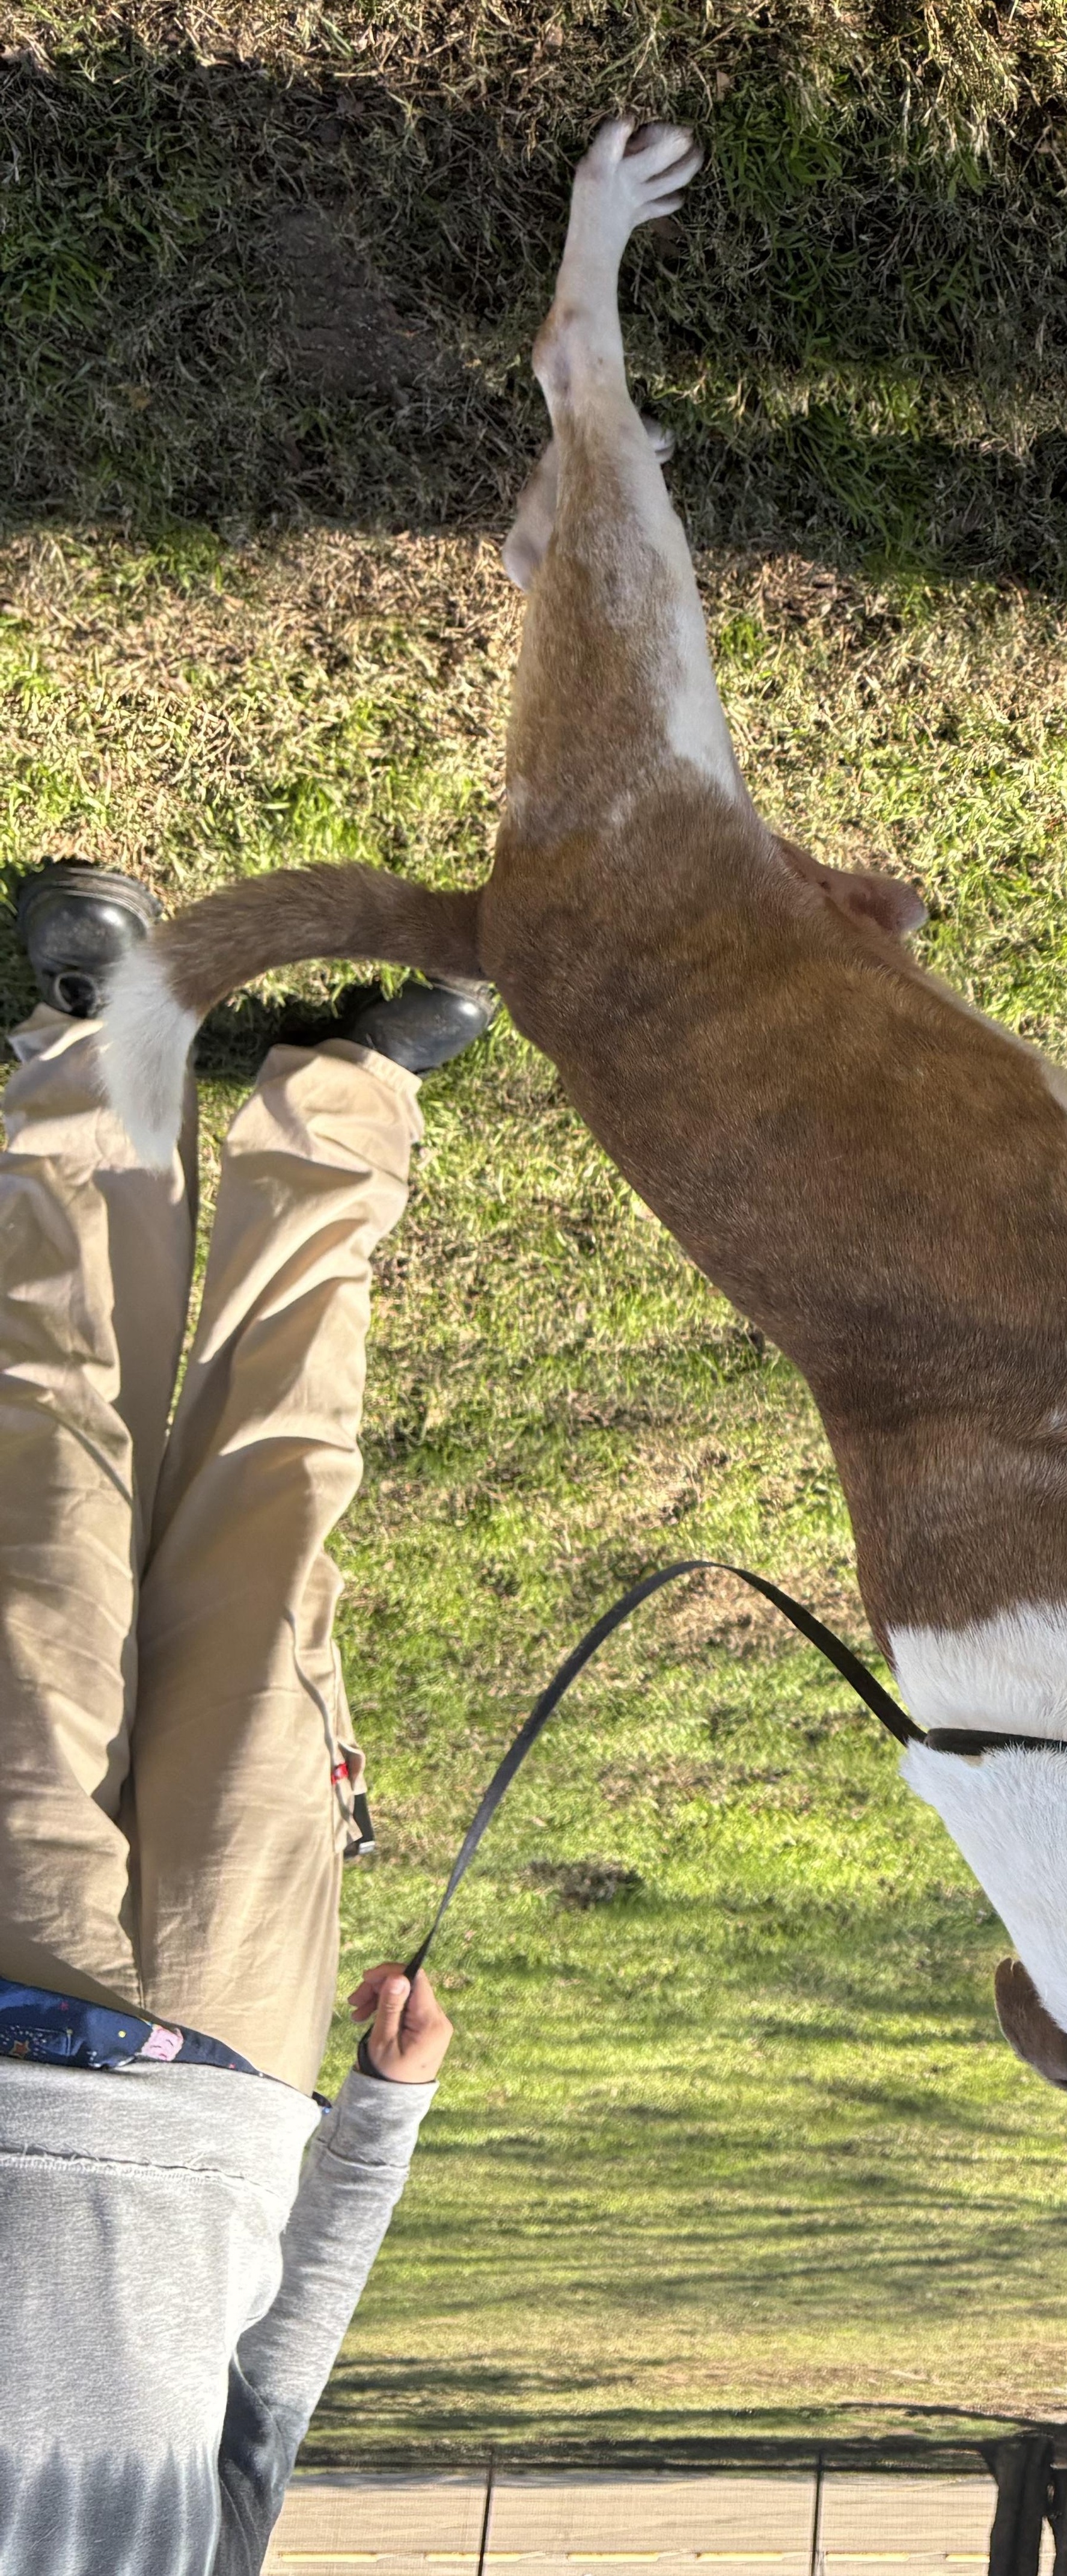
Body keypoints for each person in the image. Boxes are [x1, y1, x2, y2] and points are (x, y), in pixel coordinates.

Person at [0, 862, 492, 2575]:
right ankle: (344, 1106)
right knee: (274, 1530)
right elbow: (271, 2388)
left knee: (48, 1494)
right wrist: (386, 2116)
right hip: (233, 2066)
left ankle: (92, 1049)